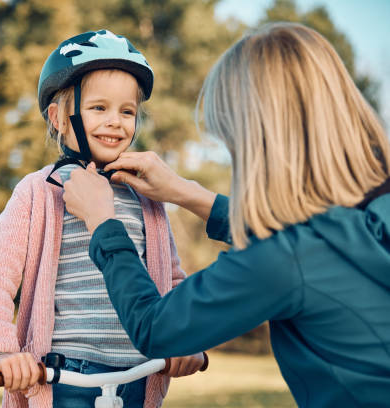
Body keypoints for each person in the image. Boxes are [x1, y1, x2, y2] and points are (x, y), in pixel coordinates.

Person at [62, 22, 390, 408]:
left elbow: (156, 328)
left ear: (257, 137)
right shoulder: (372, 210)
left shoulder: (286, 258)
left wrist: (103, 223)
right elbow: (324, 239)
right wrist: (187, 193)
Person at [0, 29, 206, 408]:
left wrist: (187, 340)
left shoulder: (147, 198)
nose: (115, 121)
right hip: (65, 378)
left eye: (126, 111)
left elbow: (171, 282)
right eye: (99, 108)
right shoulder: (38, 192)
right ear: (58, 118)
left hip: (138, 376)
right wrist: (0, 351)